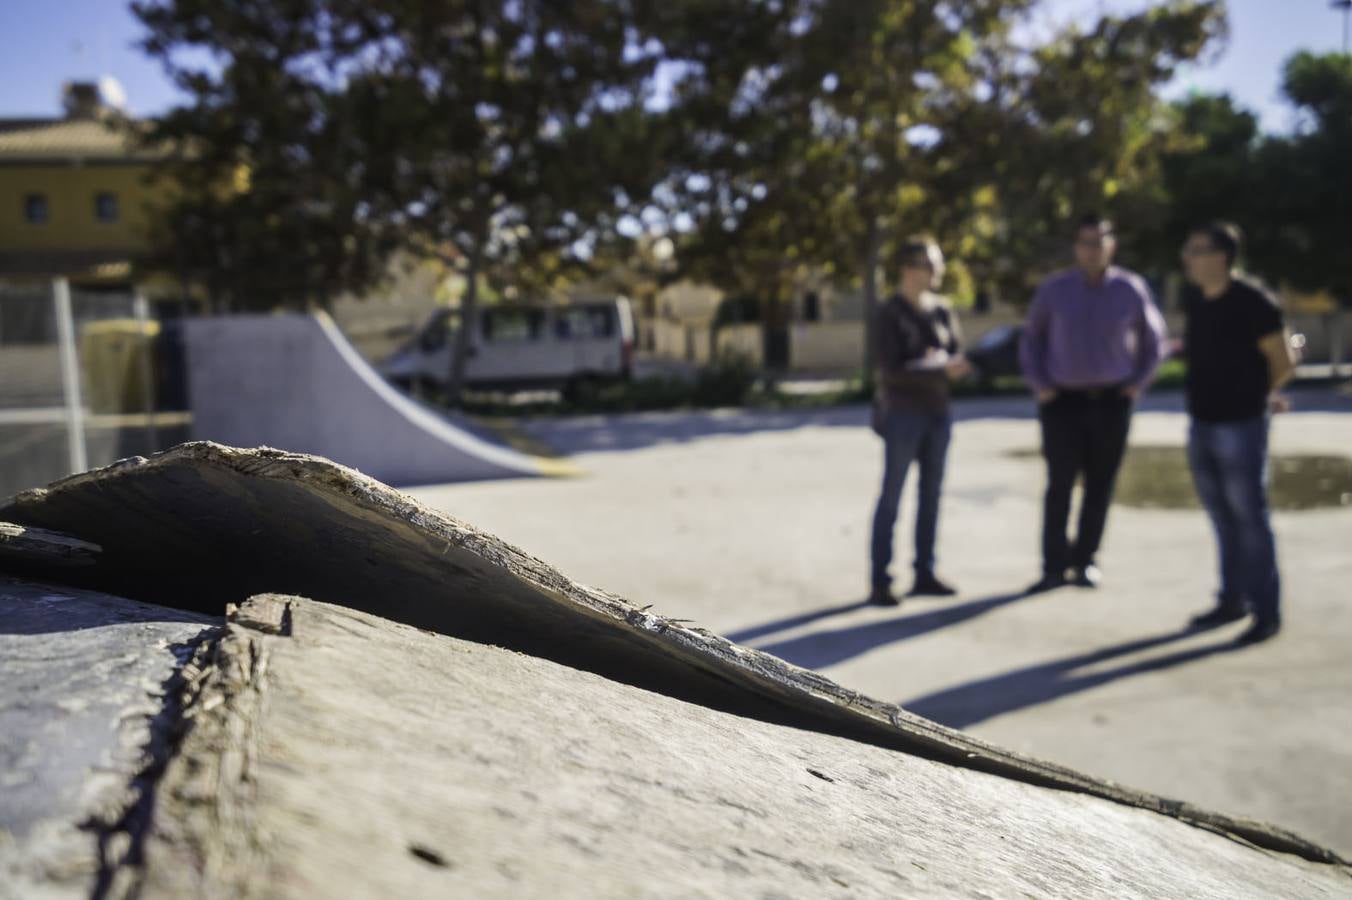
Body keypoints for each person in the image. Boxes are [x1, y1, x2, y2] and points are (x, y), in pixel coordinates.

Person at [1019, 214, 1166, 593]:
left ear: (1111, 245)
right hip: (1062, 402)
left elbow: (1155, 343)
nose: (1093, 249)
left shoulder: (1130, 289)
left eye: (1100, 241)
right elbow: (1030, 340)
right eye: (1086, 242)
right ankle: (1053, 566)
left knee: (1100, 486)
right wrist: (1041, 386)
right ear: (1076, 247)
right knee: (1059, 486)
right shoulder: (1055, 290)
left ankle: (1085, 561)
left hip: (1112, 402)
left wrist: (1137, 386)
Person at [1179, 222, 1296, 645]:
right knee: (1222, 519)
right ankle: (1232, 599)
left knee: (1249, 518)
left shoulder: (1254, 302)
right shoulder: (1198, 300)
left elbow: (1282, 359)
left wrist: (1260, 394)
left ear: (1221, 257)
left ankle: (1266, 612)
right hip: (1202, 422)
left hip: (1241, 424)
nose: (1187, 258)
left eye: (1196, 250)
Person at [868, 238, 970, 606]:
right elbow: (890, 370)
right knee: (892, 496)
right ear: (909, 269)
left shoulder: (942, 310)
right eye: (932, 264)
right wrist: (935, 366)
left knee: (932, 495)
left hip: (938, 413)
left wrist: (949, 366)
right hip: (902, 415)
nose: (938, 272)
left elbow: (954, 353)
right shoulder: (889, 313)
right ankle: (881, 580)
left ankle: (924, 572)